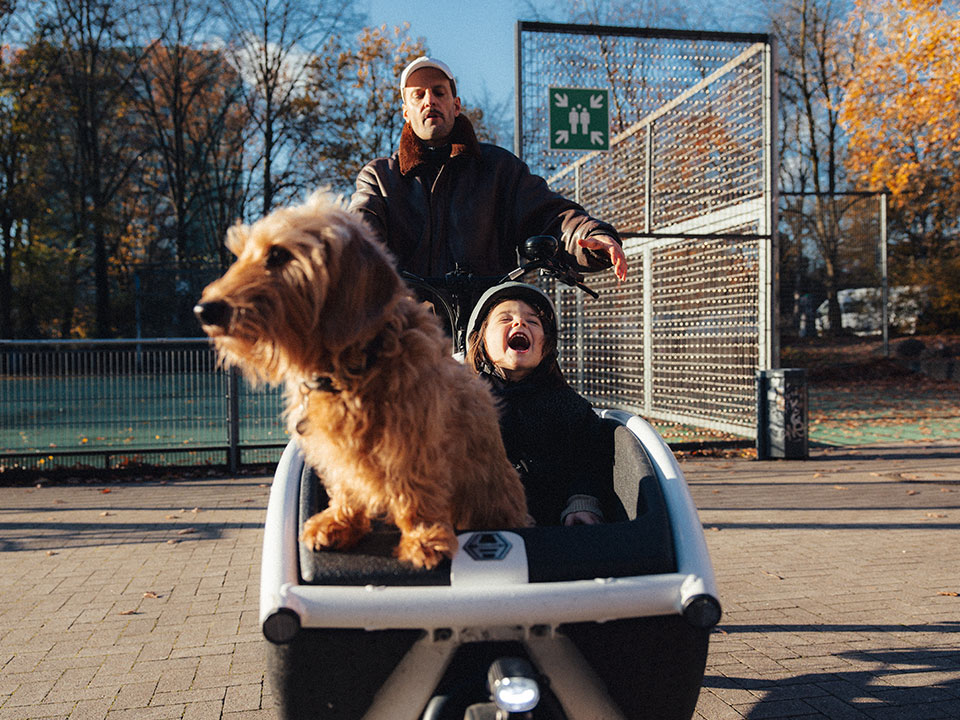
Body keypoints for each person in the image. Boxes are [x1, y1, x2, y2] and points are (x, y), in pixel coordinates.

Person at [349, 56, 628, 284]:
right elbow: (358, 234)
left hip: (488, 321)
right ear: (406, 113)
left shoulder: (499, 168)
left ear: (456, 105)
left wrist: (589, 235)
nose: (429, 100)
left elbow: (550, 216)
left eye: (438, 92)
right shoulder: (380, 178)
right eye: (418, 95)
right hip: (409, 326)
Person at [465, 281, 620, 527]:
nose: (519, 323)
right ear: (481, 342)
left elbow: (590, 460)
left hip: (552, 528)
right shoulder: (461, 403)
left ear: (546, 345)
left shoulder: (566, 405)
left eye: (533, 321)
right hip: (477, 525)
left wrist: (582, 502)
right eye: (505, 319)